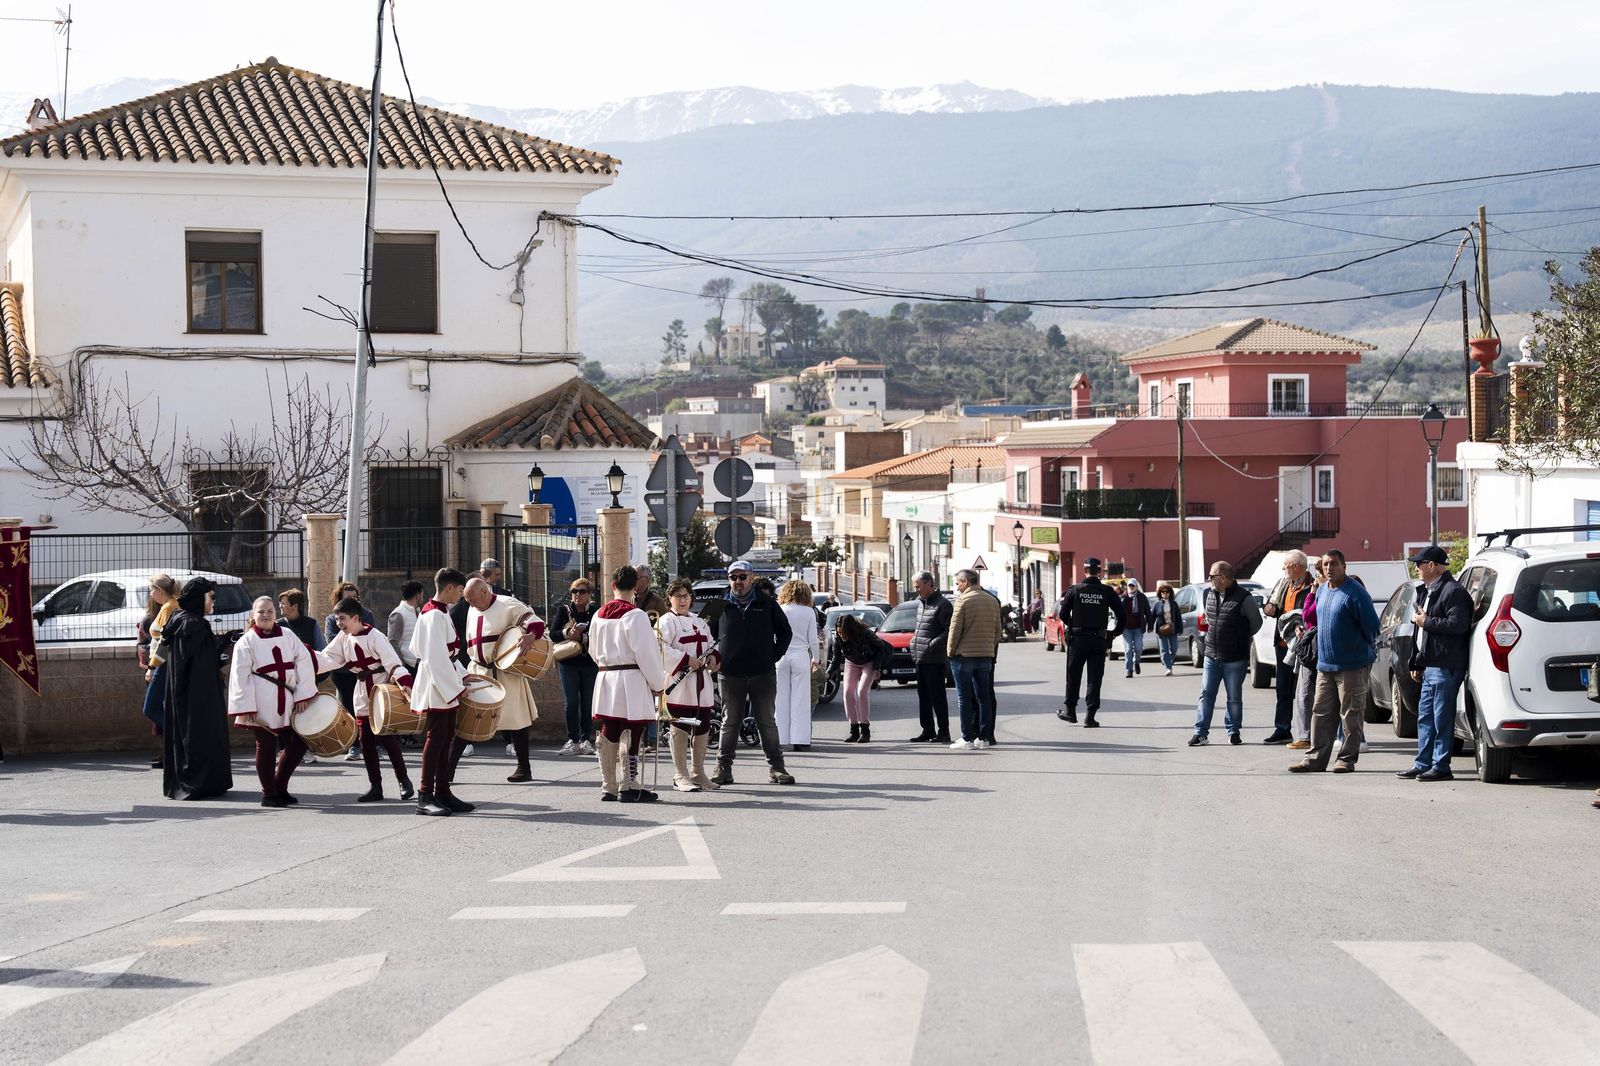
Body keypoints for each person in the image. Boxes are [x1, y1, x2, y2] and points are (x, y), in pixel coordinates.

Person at [1290, 550, 1380, 774]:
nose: (1329, 568)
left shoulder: (1355, 593)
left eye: (1334, 564)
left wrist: (1358, 649)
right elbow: (1315, 619)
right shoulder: (1321, 591)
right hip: (1325, 665)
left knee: (1351, 714)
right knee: (1320, 713)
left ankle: (1346, 760)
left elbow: (1372, 627)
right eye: (1326, 564)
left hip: (1352, 665)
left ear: (1344, 566)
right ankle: (1315, 759)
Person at [318, 595, 416, 802]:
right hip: (362, 693)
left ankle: (404, 781)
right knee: (366, 743)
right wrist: (302, 657)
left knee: (388, 740)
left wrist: (405, 683)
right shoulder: (343, 639)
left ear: (355, 618)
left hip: (381, 693)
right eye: (337, 619)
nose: (339, 623)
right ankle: (375, 787)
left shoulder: (376, 637)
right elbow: (327, 658)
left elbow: (393, 663)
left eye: (342, 619)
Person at [227, 596, 320, 807]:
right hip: (261, 702)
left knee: (300, 742)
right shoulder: (246, 641)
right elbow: (240, 676)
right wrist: (246, 707)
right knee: (266, 747)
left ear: (275, 613)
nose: (266, 615)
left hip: (288, 700)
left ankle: (280, 786)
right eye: (261, 612)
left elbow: (304, 661)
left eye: (270, 611)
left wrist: (302, 695)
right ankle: (268, 794)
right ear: (253, 615)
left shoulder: (287, 635)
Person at [710, 559, 795, 785]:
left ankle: (777, 768)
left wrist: (773, 656)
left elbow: (785, 632)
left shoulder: (767, 603)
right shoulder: (719, 604)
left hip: (762, 673)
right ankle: (723, 768)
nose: (738, 582)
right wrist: (714, 658)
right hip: (730, 674)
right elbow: (707, 635)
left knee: (766, 721)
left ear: (752, 577)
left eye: (742, 577)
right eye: (733, 577)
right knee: (730, 722)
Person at [590, 565, 669, 802]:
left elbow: (593, 652)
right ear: (635, 587)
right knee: (633, 729)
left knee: (610, 727)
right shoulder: (636, 615)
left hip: (606, 676)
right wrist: (658, 682)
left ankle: (608, 785)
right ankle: (629, 784)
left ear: (612, 585)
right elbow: (646, 653)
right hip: (632, 677)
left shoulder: (597, 615)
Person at [1397, 545, 1473, 782]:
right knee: (1425, 717)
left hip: (1445, 664)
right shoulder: (1426, 591)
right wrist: (1417, 662)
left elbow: (1457, 625)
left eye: (1419, 564)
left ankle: (1441, 765)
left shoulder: (1453, 592)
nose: (1416, 568)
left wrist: (1427, 621)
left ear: (1432, 566)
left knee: (1441, 717)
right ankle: (1423, 763)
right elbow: (1420, 634)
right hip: (1430, 664)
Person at [460, 576, 546, 783]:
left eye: (473, 600)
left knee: (517, 722)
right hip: (479, 671)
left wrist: (531, 636)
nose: (471, 605)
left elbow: (535, 623)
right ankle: (448, 771)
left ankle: (524, 769)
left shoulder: (509, 604)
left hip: (506, 671)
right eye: (468, 602)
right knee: (467, 721)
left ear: (484, 592)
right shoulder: (473, 608)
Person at [161, 577, 233, 800]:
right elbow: (203, 659)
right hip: (198, 694)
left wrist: (222, 641)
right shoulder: (194, 624)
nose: (213, 602)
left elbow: (195, 654)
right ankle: (199, 782)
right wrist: (223, 645)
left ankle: (199, 781)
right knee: (200, 733)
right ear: (199, 599)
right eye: (210, 597)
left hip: (187, 691)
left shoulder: (181, 619)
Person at [409, 568, 472, 816]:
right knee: (435, 739)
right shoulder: (434, 615)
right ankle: (425, 796)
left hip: (441, 681)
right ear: (448, 588)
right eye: (459, 590)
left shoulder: (436, 612)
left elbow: (445, 654)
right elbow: (435, 658)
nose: (460, 595)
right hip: (437, 684)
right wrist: (456, 688)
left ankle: (443, 792)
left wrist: (464, 674)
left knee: (445, 738)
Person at [1188, 560, 1264, 746]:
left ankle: (1233, 731)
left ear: (1222, 577)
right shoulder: (1210, 595)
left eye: (1212, 576)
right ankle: (1201, 733)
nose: (1209, 579)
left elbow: (1256, 623)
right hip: (1211, 655)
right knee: (1206, 694)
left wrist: (1240, 639)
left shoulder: (1244, 597)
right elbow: (1209, 619)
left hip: (1234, 658)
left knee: (1234, 698)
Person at [659, 578, 721, 791]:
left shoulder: (699, 621)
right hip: (679, 683)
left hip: (701, 684)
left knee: (703, 726)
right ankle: (680, 775)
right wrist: (686, 660)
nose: (682, 600)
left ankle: (698, 772)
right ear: (670, 599)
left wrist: (713, 656)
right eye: (677, 596)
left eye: (686, 595)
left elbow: (711, 643)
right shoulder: (666, 622)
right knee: (680, 726)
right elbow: (660, 648)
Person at [1057, 558, 1126, 727]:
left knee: (1073, 676)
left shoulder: (1075, 590)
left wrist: (1073, 624)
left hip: (1078, 639)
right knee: (1095, 679)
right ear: (1100, 571)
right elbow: (1122, 616)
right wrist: (1114, 633)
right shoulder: (1107, 591)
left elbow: (1063, 614)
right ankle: (1090, 716)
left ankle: (1070, 712)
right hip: (1098, 640)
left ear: (1084, 570)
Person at [1259, 550, 1314, 744]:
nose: (1284, 569)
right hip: (1283, 644)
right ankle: (1282, 729)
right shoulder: (1283, 584)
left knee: (1305, 691)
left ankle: (1307, 732)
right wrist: (1269, 608)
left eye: (1286, 566)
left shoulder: (1312, 587)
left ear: (1296, 566)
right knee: (1283, 689)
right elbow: (1273, 606)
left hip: (1303, 646)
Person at [948, 568, 1002, 748]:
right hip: (985, 655)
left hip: (963, 656)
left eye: (957, 583)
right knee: (983, 697)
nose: (957, 588)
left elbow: (954, 630)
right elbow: (997, 630)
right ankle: (984, 738)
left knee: (964, 697)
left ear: (965, 582)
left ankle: (967, 738)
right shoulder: (992, 600)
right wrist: (989, 648)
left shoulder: (962, 600)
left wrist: (950, 651)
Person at [323, 581, 374, 762]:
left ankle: (374, 743)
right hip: (343, 673)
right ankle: (354, 746)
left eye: (354, 597)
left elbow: (369, 641)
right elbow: (331, 643)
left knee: (370, 708)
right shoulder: (332, 620)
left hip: (365, 673)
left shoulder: (367, 615)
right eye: (347, 597)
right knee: (349, 709)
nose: (352, 600)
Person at [550, 578, 598, 756]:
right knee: (571, 702)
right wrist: (567, 633)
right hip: (567, 662)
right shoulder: (563, 610)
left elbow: (600, 636)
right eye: (574, 591)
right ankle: (573, 739)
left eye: (582, 591)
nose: (577, 595)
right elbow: (553, 634)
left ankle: (586, 739)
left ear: (589, 594)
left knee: (587, 702)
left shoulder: (595, 612)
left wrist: (582, 638)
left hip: (589, 663)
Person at [140, 573, 181, 770]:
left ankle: (178, 738)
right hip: (164, 663)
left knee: (151, 707)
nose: (150, 594)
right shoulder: (170, 606)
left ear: (159, 591)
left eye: (151, 590)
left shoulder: (169, 608)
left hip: (163, 665)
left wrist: (152, 666)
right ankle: (175, 746)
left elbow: (164, 642)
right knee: (161, 707)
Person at [774, 579, 819, 751]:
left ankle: (781, 739)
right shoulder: (809, 612)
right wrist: (815, 658)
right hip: (801, 655)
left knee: (780, 699)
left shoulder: (781, 610)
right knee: (800, 700)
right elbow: (813, 640)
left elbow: (773, 635)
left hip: (781, 656)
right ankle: (800, 740)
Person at [908, 571, 953, 743]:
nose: (916, 590)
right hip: (920, 657)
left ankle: (944, 732)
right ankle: (928, 730)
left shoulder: (943, 604)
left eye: (918, 586)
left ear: (930, 584)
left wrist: (931, 644)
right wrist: (914, 643)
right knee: (924, 697)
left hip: (934, 658)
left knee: (937, 697)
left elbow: (949, 631)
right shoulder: (921, 603)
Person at [1286, 558, 1326, 750]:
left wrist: (1311, 594)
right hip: (1311, 644)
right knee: (1305, 692)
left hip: (1318, 648)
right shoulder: (1323, 591)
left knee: (1308, 693)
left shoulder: (1322, 593)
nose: (1316, 579)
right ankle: (1306, 735)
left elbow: (1309, 615)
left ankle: (1308, 736)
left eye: (1319, 575)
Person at [832, 613, 887, 743]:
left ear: (851, 630)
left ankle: (865, 730)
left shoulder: (865, 633)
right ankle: (854, 729)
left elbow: (880, 647)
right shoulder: (838, 638)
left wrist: (877, 668)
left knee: (862, 691)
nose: (841, 635)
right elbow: (836, 658)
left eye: (843, 632)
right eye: (839, 632)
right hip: (851, 663)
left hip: (869, 663)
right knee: (847, 692)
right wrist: (829, 673)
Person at [387, 581, 425, 672]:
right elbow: (393, 642)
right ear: (418, 596)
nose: (423, 597)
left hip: (419, 664)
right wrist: (402, 666)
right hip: (407, 666)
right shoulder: (398, 614)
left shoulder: (418, 612)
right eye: (422, 594)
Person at [1151, 581, 1184, 676]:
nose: (1165, 594)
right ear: (1160, 594)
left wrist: (1180, 629)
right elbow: (1153, 617)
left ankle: (1167, 660)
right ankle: (1168, 668)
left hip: (1173, 629)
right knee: (1164, 650)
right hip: (1161, 629)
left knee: (1174, 648)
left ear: (1170, 593)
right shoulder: (1157, 605)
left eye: (1167, 592)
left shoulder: (1174, 604)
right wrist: (1150, 626)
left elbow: (1178, 617)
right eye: (1163, 592)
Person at [1120, 580, 1149, 678]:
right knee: (1128, 649)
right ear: (1127, 587)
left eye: (1133, 586)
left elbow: (1147, 611)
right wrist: (1118, 626)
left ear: (1136, 586)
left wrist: (1150, 625)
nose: (1131, 587)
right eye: (1130, 586)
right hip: (1126, 628)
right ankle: (1129, 670)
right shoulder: (1123, 598)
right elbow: (1117, 613)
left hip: (1138, 627)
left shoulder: (1142, 597)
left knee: (1138, 648)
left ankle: (1136, 662)